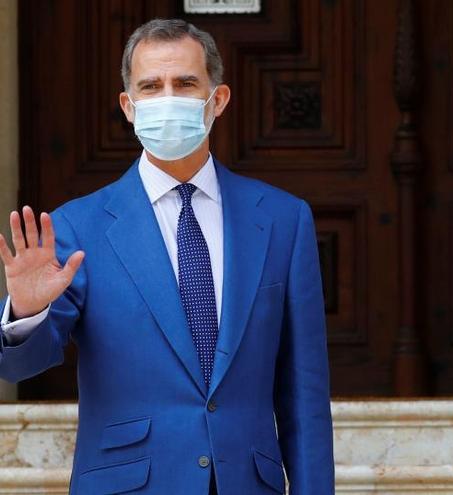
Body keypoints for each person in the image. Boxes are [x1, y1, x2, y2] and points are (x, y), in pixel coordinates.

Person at [0, 19, 333, 494]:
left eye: (185, 83)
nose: (168, 98)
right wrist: (28, 312)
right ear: (129, 107)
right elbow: (18, 368)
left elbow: (305, 393)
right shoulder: (79, 226)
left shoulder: (283, 219)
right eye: (151, 87)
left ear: (217, 100)